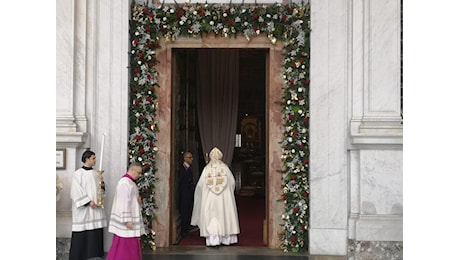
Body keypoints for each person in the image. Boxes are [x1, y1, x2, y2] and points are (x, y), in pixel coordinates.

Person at [191, 147, 240, 247]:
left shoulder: (207, 169)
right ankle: (226, 239)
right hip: (224, 199)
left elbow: (200, 185)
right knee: (225, 216)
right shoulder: (225, 168)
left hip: (210, 199)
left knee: (211, 216)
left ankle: (213, 240)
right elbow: (232, 183)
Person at [69, 150, 107, 260]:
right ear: (87, 159)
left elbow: (101, 191)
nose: (95, 160)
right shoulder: (78, 173)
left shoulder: (96, 173)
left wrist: (102, 183)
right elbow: (75, 191)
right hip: (84, 210)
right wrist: (88, 202)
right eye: (93, 158)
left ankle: (94, 255)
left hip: (95, 210)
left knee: (95, 232)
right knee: (83, 232)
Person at [106, 162, 146, 260]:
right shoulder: (124, 183)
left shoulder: (130, 182)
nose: (140, 175)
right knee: (125, 247)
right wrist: (127, 219)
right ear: (132, 170)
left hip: (130, 218)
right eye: (139, 173)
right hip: (127, 221)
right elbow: (123, 202)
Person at [178, 151, 196, 238]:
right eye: (190, 157)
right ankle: (184, 231)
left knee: (188, 213)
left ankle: (187, 230)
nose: (192, 159)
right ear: (185, 158)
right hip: (184, 195)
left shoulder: (189, 169)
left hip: (188, 195)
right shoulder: (182, 169)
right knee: (184, 213)